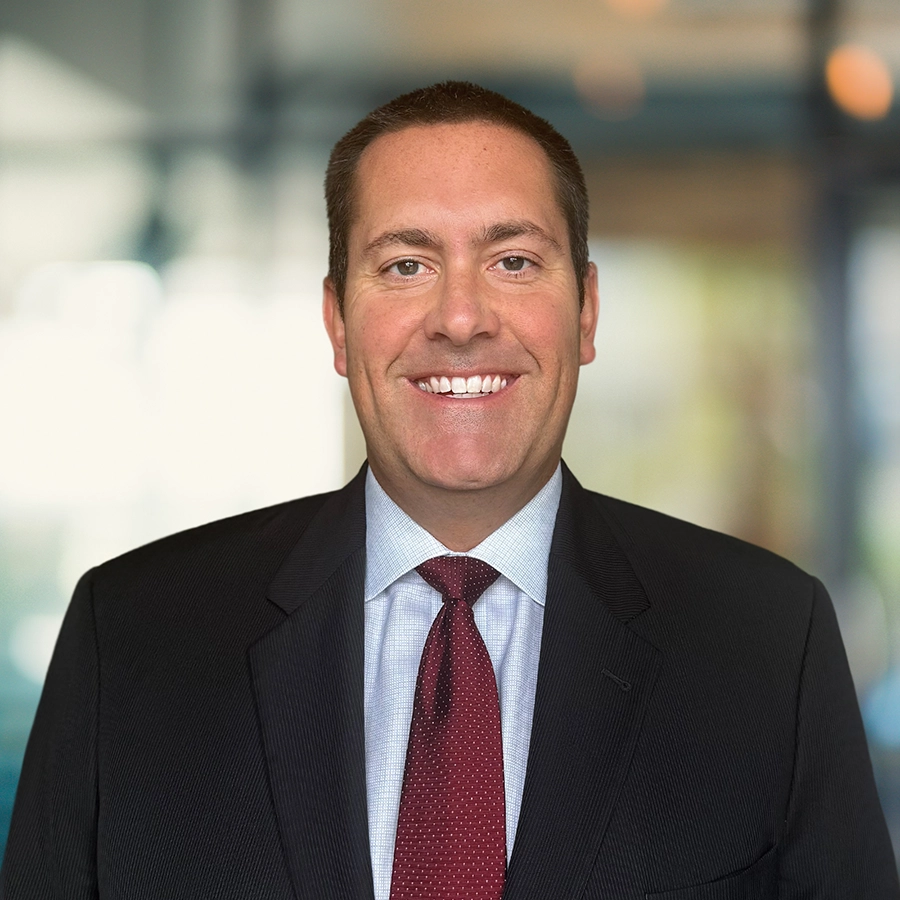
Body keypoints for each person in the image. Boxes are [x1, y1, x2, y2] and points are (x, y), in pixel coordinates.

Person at [2, 81, 897, 900]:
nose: (461, 318)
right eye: (405, 266)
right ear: (336, 322)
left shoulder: (770, 642)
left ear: (586, 311)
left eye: (512, 261)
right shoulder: (129, 638)